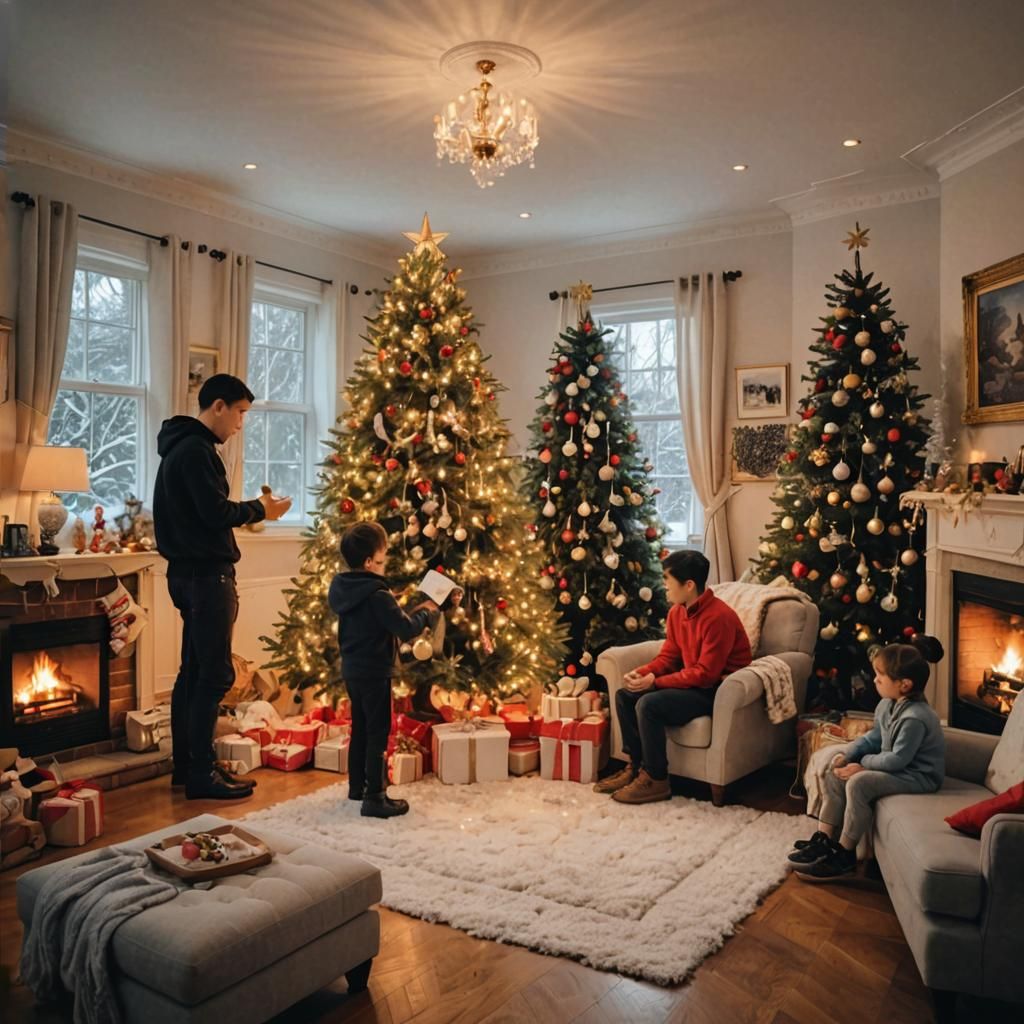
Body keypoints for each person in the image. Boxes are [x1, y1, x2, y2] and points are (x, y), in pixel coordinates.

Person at [154, 373, 292, 800]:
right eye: (239, 413)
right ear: (218, 405)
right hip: (206, 577)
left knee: (193, 674)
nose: (239, 424)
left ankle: (189, 768)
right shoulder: (197, 450)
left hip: (184, 574)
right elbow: (215, 513)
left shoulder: (178, 446)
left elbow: (202, 513)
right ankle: (200, 775)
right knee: (213, 676)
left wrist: (253, 510)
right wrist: (260, 508)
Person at [596, 550, 752, 804]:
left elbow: (706, 674)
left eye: (668, 579)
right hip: (694, 682)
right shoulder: (677, 613)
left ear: (689, 585)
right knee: (626, 696)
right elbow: (669, 657)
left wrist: (655, 683)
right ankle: (637, 769)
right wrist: (643, 674)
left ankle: (657, 780)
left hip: (716, 690)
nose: (664, 585)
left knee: (649, 704)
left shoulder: (719, 618)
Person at [790, 635, 945, 881]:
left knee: (859, 783)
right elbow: (874, 737)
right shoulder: (887, 704)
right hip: (896, 765)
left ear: (904, 684)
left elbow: (896, 761)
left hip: (918, 776)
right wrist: (848, 755)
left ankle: (846, 854)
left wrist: (861, 767)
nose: (875, 680)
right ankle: (825, 838)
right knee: (834, 770)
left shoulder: (915, 718)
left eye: (880, 676)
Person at [328, 521, 440, 818]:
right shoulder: (377, 594)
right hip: (375, 670)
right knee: (379, 730)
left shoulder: (344, 588)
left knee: (361, 727)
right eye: (382, 557)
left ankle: (357, 787)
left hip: (352, 669)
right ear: (369, 561)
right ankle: (375, 797)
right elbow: (403, 628)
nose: (385, 562)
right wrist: (427, 614)